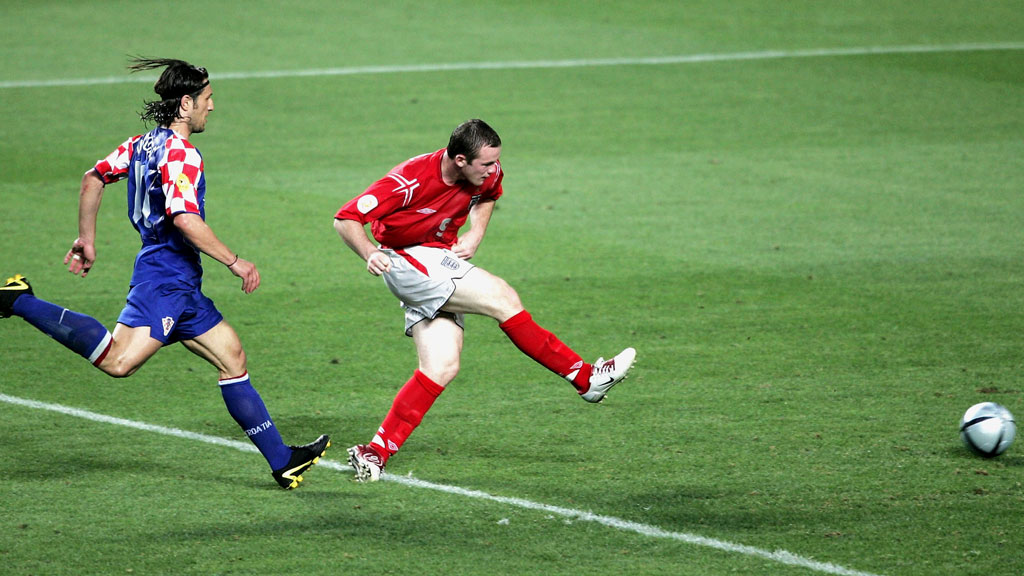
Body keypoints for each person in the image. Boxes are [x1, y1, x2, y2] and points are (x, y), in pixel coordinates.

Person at [0, 57, 329, 490]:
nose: (212, 108)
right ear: (186, 103)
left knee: (232, 357)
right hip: (165, 276)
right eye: (208, 100)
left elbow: (93, 178)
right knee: (119, 362)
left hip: (180, 281)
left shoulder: (141, 145)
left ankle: (282, 461)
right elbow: (184, 219)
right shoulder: (182, 154)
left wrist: (87, 238)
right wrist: (235, 261)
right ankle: (18, 299)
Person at [334, 118, 635, 482]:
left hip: (437, 259)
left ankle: (375, 453)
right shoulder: (408, 180)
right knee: (502, 297)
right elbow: (346, 218)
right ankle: (584, 378)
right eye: (486, 164)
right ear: (460, 160)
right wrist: (368, 252)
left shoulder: (485, 174)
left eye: (496, 162)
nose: (494, 170)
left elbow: (487, 197)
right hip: (407, 260)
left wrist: (476, 233)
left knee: (442, 366)